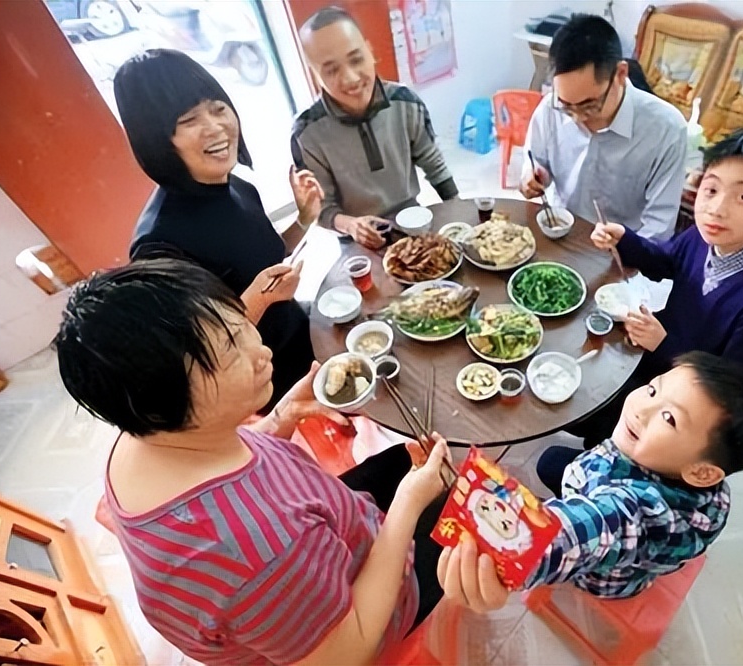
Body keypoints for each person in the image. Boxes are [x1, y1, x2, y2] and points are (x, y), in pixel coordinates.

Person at [54, 258, 452, 665]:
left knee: (406, 463)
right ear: (161, 404)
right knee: (455, 509)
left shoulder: (140, 437)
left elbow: (230, 468)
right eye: (228, 352)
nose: (260, 350)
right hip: (368, 618)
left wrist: (280, 418)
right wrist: (407, 505)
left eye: (240, 327)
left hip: (331, 539)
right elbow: (349, 650)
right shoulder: (256, 551)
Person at [437, 352, 743, 608]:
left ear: (703, 472)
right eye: (652, 390)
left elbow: (573, 534)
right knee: (551, 461)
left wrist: (509, 558)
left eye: (669, 418)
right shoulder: (706, 484)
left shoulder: (641, 513)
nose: (640, 408)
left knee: (549, 464)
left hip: (606, 576)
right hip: (623, 524)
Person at [565, 123, 743, 450]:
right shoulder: (706, 235)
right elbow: (666, 261)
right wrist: (625, 240)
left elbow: (729, 397)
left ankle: (612, 455)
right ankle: (598, 441)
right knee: (578, 378)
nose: (717, 208)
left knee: (591, 413)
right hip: (653, 359)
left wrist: (663, 344)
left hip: (679, 407)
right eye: (711, 189)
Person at [114, 49, 321, 408]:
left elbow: (262, 258)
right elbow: (201, 353)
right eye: (190, 119)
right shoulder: (158, 243)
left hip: (300, 334)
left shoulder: (235, 185)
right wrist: (262, 296)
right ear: (156, 138)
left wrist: (304, 218)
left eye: (218, 107)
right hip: (267, 380)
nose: (215, 126)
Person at [291, 6, 458, 250]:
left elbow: (433, 163)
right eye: (331, 70)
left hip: (412, 221)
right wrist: (352, 225)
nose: (350, 78)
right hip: (356, 240)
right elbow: (322, 209)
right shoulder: (306, 132)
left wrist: (461, 212)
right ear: (314, 74)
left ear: (370, 52)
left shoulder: (405, 102)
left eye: (356, 59)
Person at [520, 14, 687, 241]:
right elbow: (535, 161)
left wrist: (626, 254)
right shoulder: (550, 108)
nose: (577, 118)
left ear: (620, 74)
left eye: (589, 105)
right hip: (561, 231)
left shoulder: (666, 129)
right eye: (567, 106)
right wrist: (533, 177)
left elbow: (659, 226)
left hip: (623, 250)